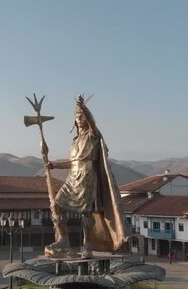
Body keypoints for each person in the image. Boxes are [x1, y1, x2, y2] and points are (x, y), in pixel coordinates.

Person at [45, 96, 129, 258]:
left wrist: (84, 108)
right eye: (77, 116)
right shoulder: (75, 140)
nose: (79, 118)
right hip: (72, 177)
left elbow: (93, 123)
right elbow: (73, 162)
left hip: (87, 176)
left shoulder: (92, 135)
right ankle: (63, 239)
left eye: (81, 115)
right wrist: (54, 165)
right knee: (56, 204)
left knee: (86, 212)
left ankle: (87, 245)